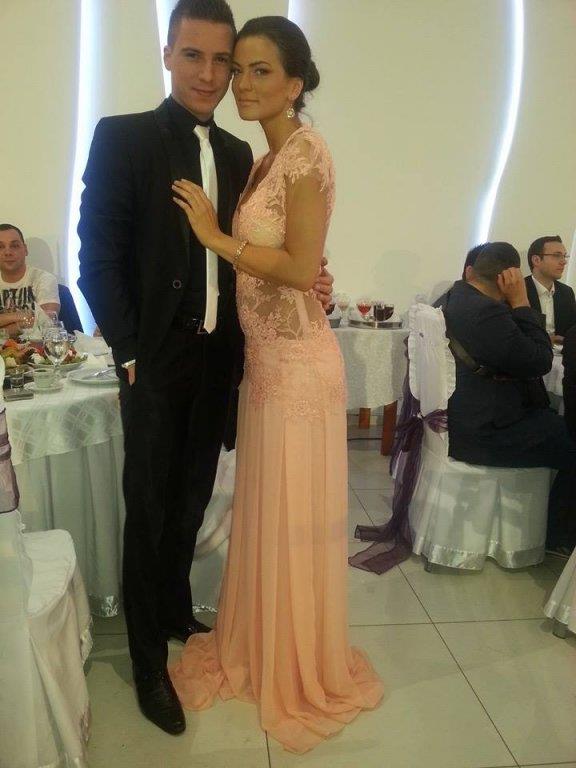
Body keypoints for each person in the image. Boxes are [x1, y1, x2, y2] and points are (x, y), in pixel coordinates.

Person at [77, 0, 333, 737]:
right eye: (195, 55)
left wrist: (311, 278)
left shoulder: (239, 154)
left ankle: (172, 608)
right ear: (167, 55)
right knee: (149, 509)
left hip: (223, 362)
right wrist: (129, 351)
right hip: (154, 364)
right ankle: (147, 662)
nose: (211, 74)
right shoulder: (123, 137)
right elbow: (97, 255)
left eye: (225, 61)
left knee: (191, 501)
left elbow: (267, 254)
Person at [169, 16, 383, 753]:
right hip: (265, 364)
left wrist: (215, 238)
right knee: (267, 511)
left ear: (296, 83)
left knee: (292, 518)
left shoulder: (306, 152)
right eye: (240, 69)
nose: (242, 83)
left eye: (261, 71)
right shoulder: (266, 160)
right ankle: (262, 643)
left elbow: (294, 266)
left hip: (297, 367)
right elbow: (302, 265)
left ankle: (297, 661)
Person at [443, 242, 576, 553]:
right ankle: (559, 536)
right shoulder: (487, 313)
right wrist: (521, 303)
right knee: (571, 436)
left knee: (559, 425)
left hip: (466, 414)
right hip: (485, 430)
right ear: (510, 277)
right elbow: (540, 360)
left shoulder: (456, 296)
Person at [0, 224, 60, 331]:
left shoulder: (44, 279)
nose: (8, 252)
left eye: (14, 246)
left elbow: (46, 322)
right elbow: (36, 322)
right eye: (0, 247)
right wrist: (21, 316)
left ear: (25, 250)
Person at [525, 235, 576, 344]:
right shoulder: (519, 290)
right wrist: (547, 340)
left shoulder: (567, 292)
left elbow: (571, 330)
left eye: (564, 256)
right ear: (536, 260)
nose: (564, 262)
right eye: (557, 256)